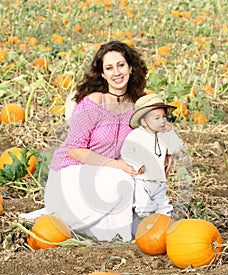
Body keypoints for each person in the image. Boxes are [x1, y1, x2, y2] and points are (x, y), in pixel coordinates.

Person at [32, 41, 148, 242]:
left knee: (142, 183)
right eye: (109, 68)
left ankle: (118, 230)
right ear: (103, 74)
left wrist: (168, 153)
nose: (116, 72)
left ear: (130, 67)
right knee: (121, 180)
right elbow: (75, 150)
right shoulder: (94, 101)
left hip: (104, 173)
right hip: (70, 174)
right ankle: (114, 235)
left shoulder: (136, 103)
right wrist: (117, 165)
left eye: (121, 65)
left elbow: (156, 129)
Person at [120, 93, 183, 218]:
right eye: (157, 118)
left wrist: (171, 133)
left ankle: (163, 225)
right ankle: (144, 227)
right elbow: (126, 152)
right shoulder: (136, 135)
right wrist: (137, 164)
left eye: (164, 117)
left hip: (159, 180)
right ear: (143, 121)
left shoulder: (164, 134)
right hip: (142, 180)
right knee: (143, 206)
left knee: (163, 206)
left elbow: (176, 148)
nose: (162, 121)